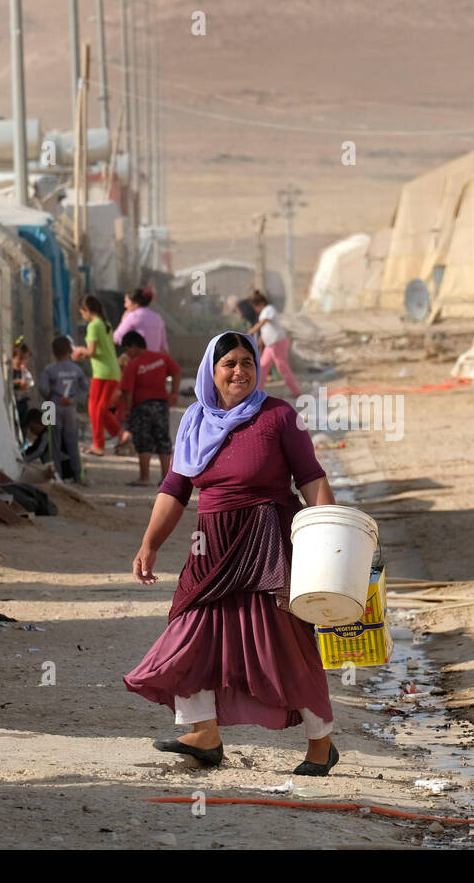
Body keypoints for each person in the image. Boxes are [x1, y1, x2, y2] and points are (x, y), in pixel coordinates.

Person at [123, 331, 340, 775]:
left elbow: (312, 478)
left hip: (269, 539)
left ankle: (321, 744)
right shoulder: (193, 422)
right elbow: (174, 489)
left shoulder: (278, 415)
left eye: (246, 362)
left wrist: (333, 540)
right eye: (229, 364)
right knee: (191, 628)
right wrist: (149, 544)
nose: (239, 370)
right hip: (212, 544)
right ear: (212, 371)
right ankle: (203, 732)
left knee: (287, 642)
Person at [117, 330, 181, 486]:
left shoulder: (133, 364)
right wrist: (173, 393)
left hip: (141, 407)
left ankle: (144, 478)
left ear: (133, 346)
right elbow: (176, 371)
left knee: (143, 440)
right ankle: (166, 480)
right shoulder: (161, 358)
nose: (127, 353)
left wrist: (127, 409)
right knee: (163, 439)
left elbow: (127, 391)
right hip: (161, 405)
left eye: (127, 349)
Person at [70, 295, 127, 454]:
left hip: (102, 373)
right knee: (101, 409)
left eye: (82, 313)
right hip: (112, 371)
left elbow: (92, 351)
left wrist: (80, 351)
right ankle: (121, 434)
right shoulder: (105, 324)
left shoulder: (94, 326)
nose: (83, 317)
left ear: (87, 310)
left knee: (93, 408)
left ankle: (99, 445)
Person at [35, 336, 88, 482]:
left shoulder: (50, 370)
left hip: (52, 406)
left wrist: (51, 397)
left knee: (54, 442)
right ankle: (78, 476)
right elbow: (85, 389)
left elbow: (42, 387)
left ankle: (56, 475)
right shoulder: (77, 370)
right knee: (72, 442)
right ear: (70, 351)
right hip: (70, 407)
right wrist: (73, 399)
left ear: (53, 352)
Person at [246, 290, 301, 396]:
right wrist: (260, 341)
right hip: (270, 346)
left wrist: (252, 330)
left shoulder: (269, 309)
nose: (256, 310)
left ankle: (296, 392)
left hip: (278, 343)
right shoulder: (264, 312)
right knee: (262, 367)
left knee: (282, 368)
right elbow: (266, 329)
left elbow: (263, 323)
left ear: (261, 303)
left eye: (256, 307)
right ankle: (257, 393)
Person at [113, 287, 169, 354]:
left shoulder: (133, 316)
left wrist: (123, 320)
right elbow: (164, 347)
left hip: (139, 359)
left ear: (135, 304)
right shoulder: (158, 318)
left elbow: (116, 338)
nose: (125, 305)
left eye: (126, 302)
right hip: (155, 360)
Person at [10, 339, 34, 431]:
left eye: (25, 359)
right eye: (20, 359)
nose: (22, 362)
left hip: (22, 403)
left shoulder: (23, 372)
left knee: (22, 426)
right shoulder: (9, 370)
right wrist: (16, 383)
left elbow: (30, 383)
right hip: (12, 404)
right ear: (13, 357)